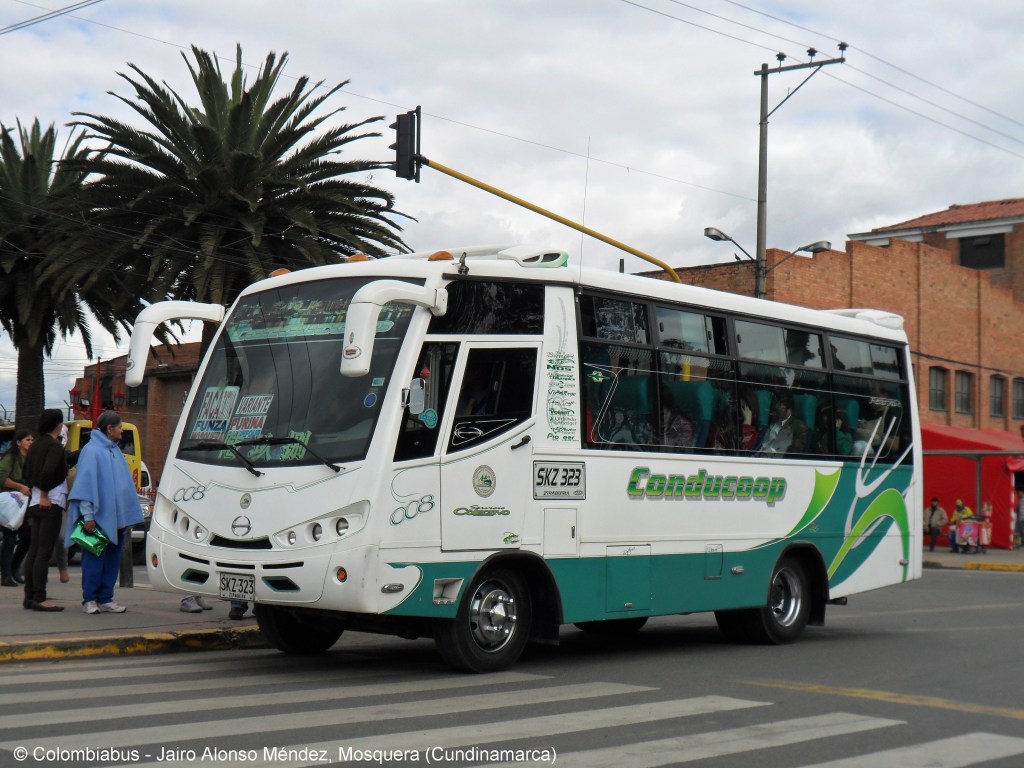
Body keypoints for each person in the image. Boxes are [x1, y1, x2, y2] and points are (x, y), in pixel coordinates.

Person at [66, 410, 144, 614]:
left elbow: (123, 484)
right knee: (94, 558)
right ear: (109, 429)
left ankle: (106, 597)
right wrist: (88, 516)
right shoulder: (91, 451)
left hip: (116, 517)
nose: (121, 431)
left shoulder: (114, 450)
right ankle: (90, 599)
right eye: (119, 427)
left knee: (111, 559)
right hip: (97, 518)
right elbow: (85, 487)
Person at [21, 409, 70, 611]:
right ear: (58, 425)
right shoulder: (54, 446)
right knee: (44, 552)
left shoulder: (35, 445)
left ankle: (29, 596)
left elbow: (26, 471)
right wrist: (44, 494)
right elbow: (49, 470)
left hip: (34, 502)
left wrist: (37, 492)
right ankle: (40, 597)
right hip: (50, 502)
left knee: (34, 550)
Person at [0, 429, 33, 586]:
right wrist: (20, 487)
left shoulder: (32, 459)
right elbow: (2, 477)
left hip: (25, 503)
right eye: (27, 440)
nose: (30, 442)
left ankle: (14, 568)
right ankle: (6, 575)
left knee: (28, 536)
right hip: (11, 503)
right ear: (19, 442)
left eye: (32, 440)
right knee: (10, 538)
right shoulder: (11, 457)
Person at [758, 391, 807, 457]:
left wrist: (773, 451)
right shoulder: (770, 423)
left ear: (788, 410)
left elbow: (795, 451)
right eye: (771, 410)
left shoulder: (799, 427)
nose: (772, 414)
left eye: (776, 410)